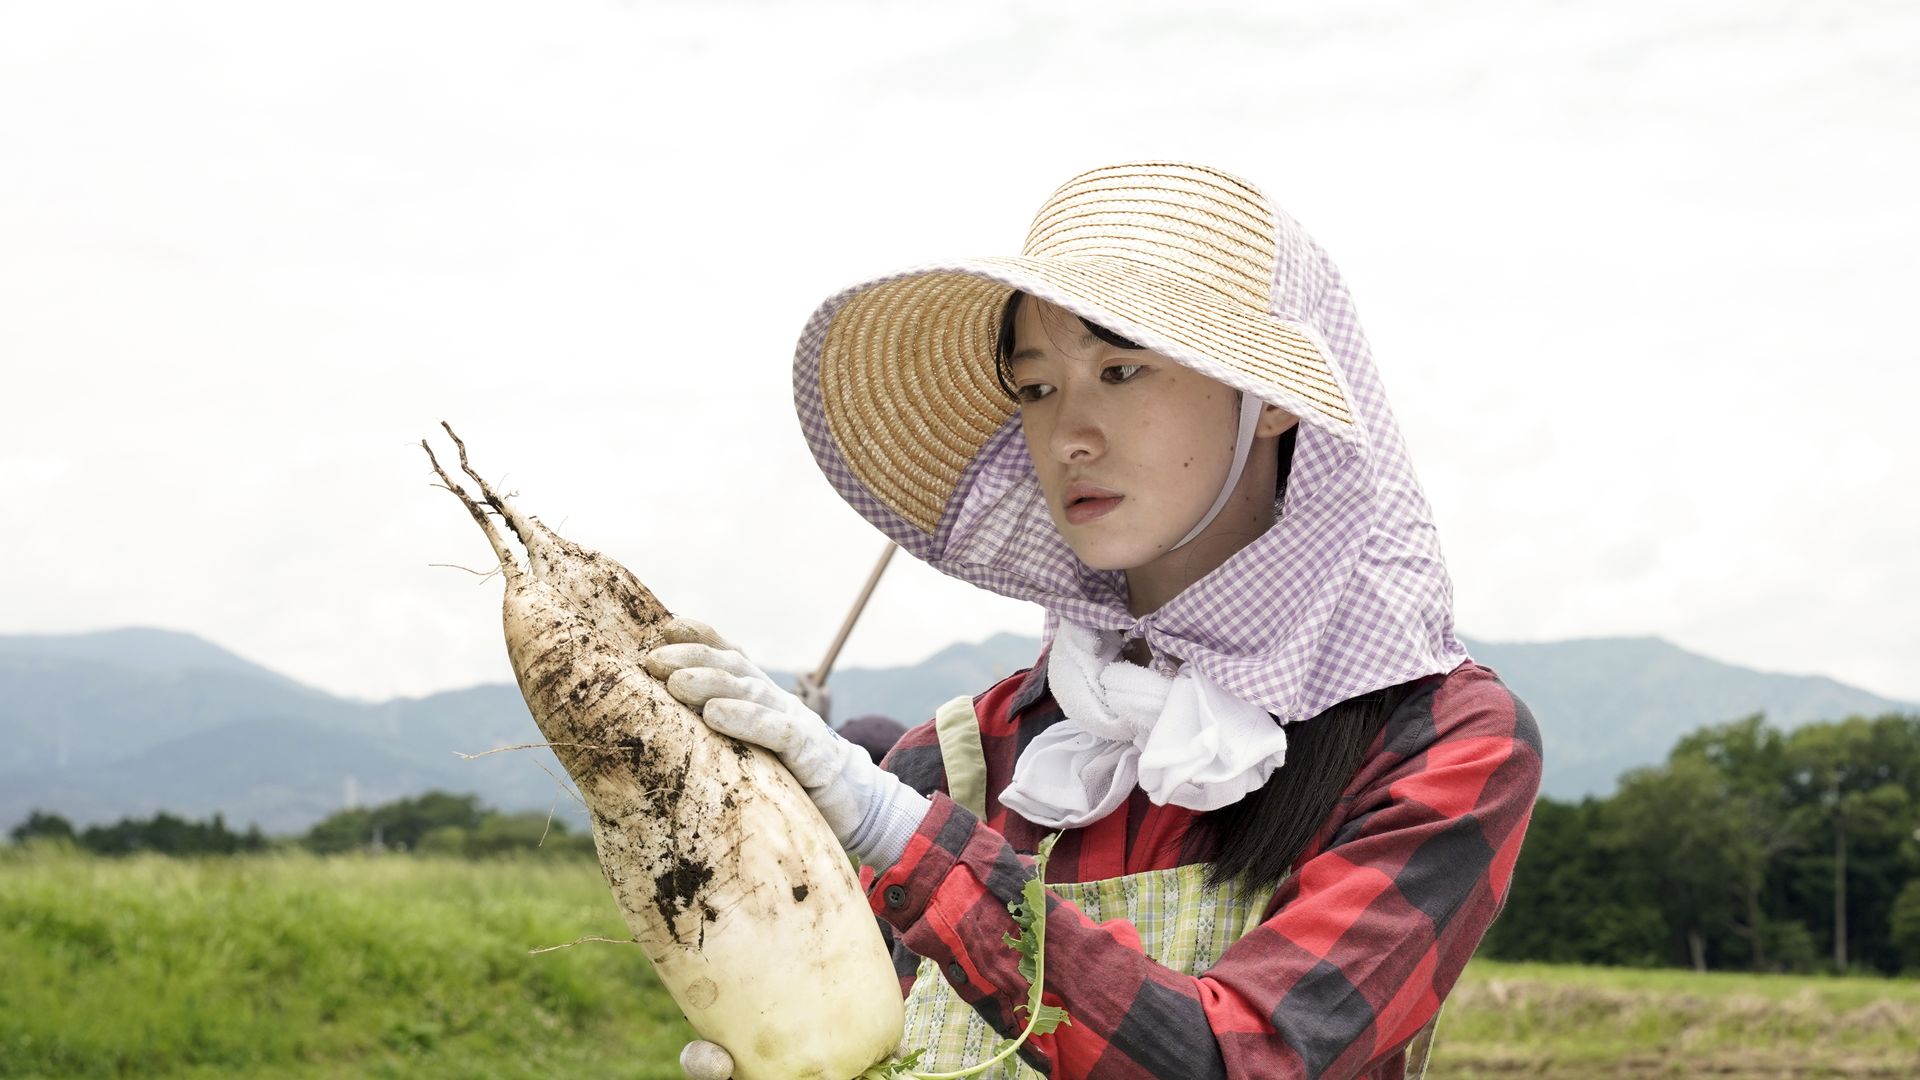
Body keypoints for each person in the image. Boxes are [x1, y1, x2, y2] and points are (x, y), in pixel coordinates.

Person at [645, 161, 1542, 1079]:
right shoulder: (961, 757)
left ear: (1271, 397)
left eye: (1119, 369)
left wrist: (900, 836)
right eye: (1036, 388)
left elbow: (1246, 1060)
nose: (1068, 433)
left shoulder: (1440, 744)